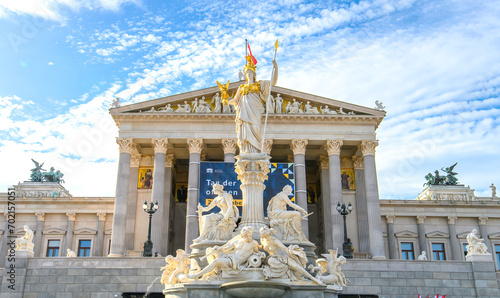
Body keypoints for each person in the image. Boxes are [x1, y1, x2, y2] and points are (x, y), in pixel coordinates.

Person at [228, 55, 278, 154]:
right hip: (244, 113)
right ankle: (246, 152)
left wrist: (276, 68)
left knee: (256, 130)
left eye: (250, 72)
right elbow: (236, 100)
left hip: (255, 113)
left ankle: (256, 153)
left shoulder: (259, 85)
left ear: (254, 74)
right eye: (247, 73)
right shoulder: (241, 87)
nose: (249, 74)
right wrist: (226, 101)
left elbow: (273, 82)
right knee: (244, 134)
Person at [187, 227, 259, 280]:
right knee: (210, 250)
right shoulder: (237, 241)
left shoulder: (253, 243)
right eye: (247, 233)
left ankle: (197, 275)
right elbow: (225, 248)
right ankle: (214, 271)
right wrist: (218, 247)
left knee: (216, 261)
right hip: (231, 257)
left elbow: (257, 252)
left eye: (250, 233)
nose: (249, 235)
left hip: (235, 262)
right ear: (243, 234)